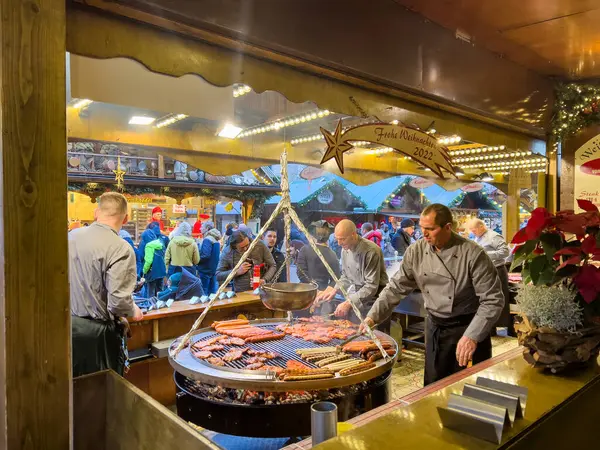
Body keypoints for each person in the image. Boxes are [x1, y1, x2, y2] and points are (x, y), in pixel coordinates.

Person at [361, 204, 504, 385]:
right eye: (422, 228)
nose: (424, 234)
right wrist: (372, 317)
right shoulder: (416, 251)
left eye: (430, 229)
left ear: (447, 227)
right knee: (434, 386)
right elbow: (396, 287)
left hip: (466, 328)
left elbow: (493, 300)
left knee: (467, 390)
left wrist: (472, 336)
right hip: (435, 327)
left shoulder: (473, 253)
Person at [70, 192, 143, 377]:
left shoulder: (71, 237)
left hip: (67, 330)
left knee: (75, 392)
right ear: (125, 219)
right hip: (98, 338)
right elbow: (118, 302)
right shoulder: (121, 248)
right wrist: (134, 310)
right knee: (103, 395)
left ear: (96, 213)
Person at [315, 220, 389, 330]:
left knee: (373, 338)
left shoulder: (371, 251)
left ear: (353, 235)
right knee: (355, 333)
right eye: (337, 239)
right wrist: (334, 289)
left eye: (342, 239)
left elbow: (371, 286)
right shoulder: (345, 250)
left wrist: (349, 302)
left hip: (376, 301)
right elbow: (346, 276)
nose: (339, 243)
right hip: (359, 297)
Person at [467, 218, 514, 336]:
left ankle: (501, 327)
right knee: (485, 299)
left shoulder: (494, 236)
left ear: (481, 227)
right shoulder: (478, 237)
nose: (473, 232)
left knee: (497, 299)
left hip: (497, 270)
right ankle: (489, 328)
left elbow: (505, 252)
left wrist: (485, 254)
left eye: (474, 230)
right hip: (485, 271)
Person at [297, 222, 341, 314]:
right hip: (323, 297)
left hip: (305, 294)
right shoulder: (333, 254)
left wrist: (314, 290)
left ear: (312, 235)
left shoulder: (304, 249)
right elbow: (336, 278)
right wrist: (325, 291)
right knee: (318, 323)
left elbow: (301, 273)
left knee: (301, 323)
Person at [141, 226, 167, 298]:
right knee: (160, 292)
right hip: (161, 271)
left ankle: (151, 307)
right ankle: (161, 306)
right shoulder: (160, 243)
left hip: (152, 273)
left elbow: (149, 261)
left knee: (151, 294)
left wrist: (144, 271)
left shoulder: (149, 245)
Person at [197, 221, 222, 295]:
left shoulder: (207, 239)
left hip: (205, 269)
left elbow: (205, 255)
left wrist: (197, 261)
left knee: (204, 292)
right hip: (212, 269)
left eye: (202, 227)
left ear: (207, 228)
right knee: (212, 292)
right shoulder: (215, 239)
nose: (200, 228)